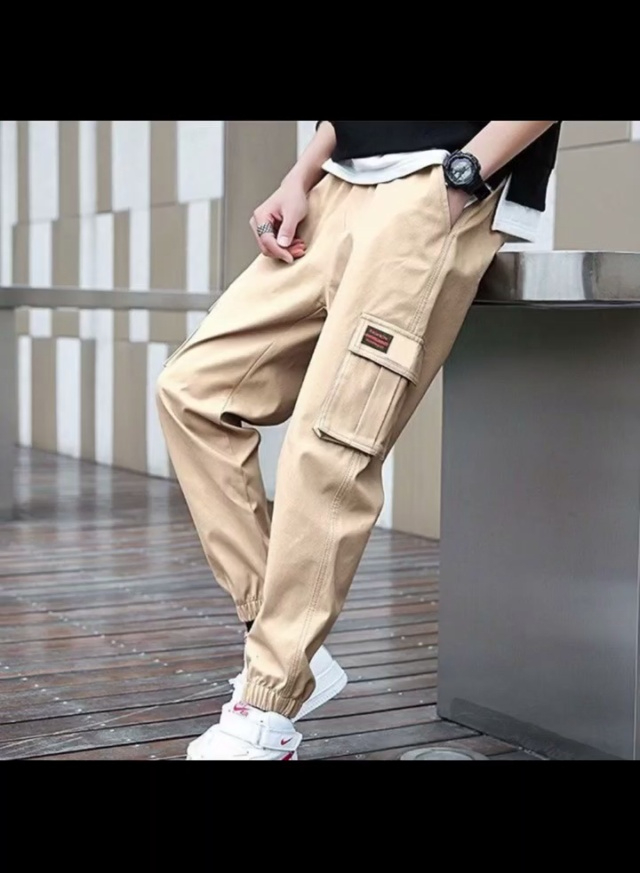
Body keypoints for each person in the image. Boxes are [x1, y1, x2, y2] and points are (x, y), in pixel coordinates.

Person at [156, 119, 561, 760]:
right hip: (333, 188)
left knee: (332, 442)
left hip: (433, 187)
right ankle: (277, 639)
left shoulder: (450, 182)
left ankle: (267, 708)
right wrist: (300, 175)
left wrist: (463, 177)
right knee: (192, 390)